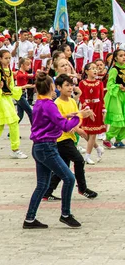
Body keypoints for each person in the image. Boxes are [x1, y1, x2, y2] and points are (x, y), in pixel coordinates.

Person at [24, 72, 94, 229]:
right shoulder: (49, 105)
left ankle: (29, 219)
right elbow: (65, 126)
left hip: (38, 147)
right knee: (69, 178)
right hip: (48, 147)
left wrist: (71, 115)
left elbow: (55, 118)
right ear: (51, 87)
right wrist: (80, 116)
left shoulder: (40, 104)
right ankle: (65, 214)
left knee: (42, 184)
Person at [42, 74, 98, 201]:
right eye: (67, 85)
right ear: (58, 87)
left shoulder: (72, 101)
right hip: (61, 139)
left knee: (62, 168)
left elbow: (76, 117)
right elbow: (60, 122)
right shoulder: (56, 103)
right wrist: (78, 129)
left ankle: (46, 192)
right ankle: (82, 188)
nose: (70, 88)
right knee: (79, 160)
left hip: (70, 138)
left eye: (71, 85)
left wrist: (81, 124)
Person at [79, 63, 106, 164]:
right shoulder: (82, 83)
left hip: (97, 108)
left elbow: (102, 97)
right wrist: (86, 106)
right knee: (85, 133)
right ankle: (98, 148)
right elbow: (81, 97)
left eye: (96, 69)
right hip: (86, 108)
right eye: (92, 68)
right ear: (86, 71)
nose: (95, 70)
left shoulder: (100, 83)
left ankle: (87, 155)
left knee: (93, 134)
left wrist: (103, 110)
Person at [104, 49, 125, 147]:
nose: (123, 57)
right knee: (118, 120)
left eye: (124, 55)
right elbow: (110, 84)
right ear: (115, 58)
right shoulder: (114, 70)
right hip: (116, 96)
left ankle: (118, 140)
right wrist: (118, 86)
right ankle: (108, 138)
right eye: (121, 56)